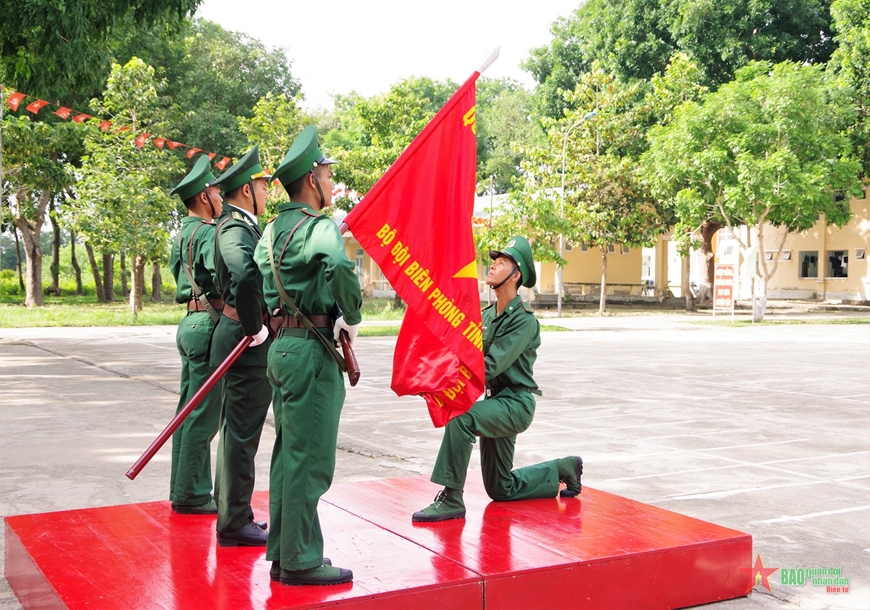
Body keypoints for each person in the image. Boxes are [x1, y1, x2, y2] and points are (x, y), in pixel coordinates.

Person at [254, 125, 362, 586]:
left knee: (287, 454)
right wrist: (350, 313)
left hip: (281, 348)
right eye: (327, 173)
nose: (332, 181)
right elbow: (337, 265)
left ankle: (283, 552)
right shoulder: (319, 227)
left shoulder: (273, 229)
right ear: (311, 181)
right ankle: (300, 561)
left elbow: (256, 273)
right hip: (312, 352)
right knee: (310, 458)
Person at [412, 236, 583, 522]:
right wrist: (433, 379)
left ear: (516, 275)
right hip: (495, 402)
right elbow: (465, 355)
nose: (492, 267)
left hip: (515, 404)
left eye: (501, 263)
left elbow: (489, 366)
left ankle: (451, 498)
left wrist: (446, 384)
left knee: (460, 418)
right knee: (500, 488)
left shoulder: (524, 321)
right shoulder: (487, 315)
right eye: (493, 262)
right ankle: (562, 468)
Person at [208, 146, 272, 546]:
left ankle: (234, 511)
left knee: (236, 430)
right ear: (247, 190)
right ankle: (234, 521)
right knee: (242, 432)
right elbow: (246, 274)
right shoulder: (234, 228)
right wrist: (255, 327)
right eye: (263, 186)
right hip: (243, 339)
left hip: (238, 336)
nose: (267, 193)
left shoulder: (241, 226)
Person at [167, 155, 224, 515]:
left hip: (189, 322)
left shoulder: (181, 234)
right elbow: (220, 278)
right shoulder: (207, 233)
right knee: (204, 413)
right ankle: (193, 494)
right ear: (204, 196)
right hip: (207, 324)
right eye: (217, 190)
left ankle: (182, 486)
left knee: (186, 410)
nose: (221, 196)